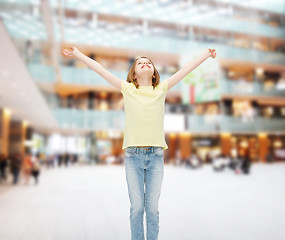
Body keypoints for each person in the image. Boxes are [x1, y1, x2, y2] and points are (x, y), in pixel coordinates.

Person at [62, 46, 217, 240]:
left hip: (156, 156)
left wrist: (206, 55)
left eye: (148, 62)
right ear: (134, 75)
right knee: (136, 208)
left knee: (152, 209)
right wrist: (77, 54)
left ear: (153, 74)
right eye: (140, 63)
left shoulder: (161, 88)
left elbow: (185, 70)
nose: (145, 63)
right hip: (133, 157)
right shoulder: (127, 89)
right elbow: (100, 69)